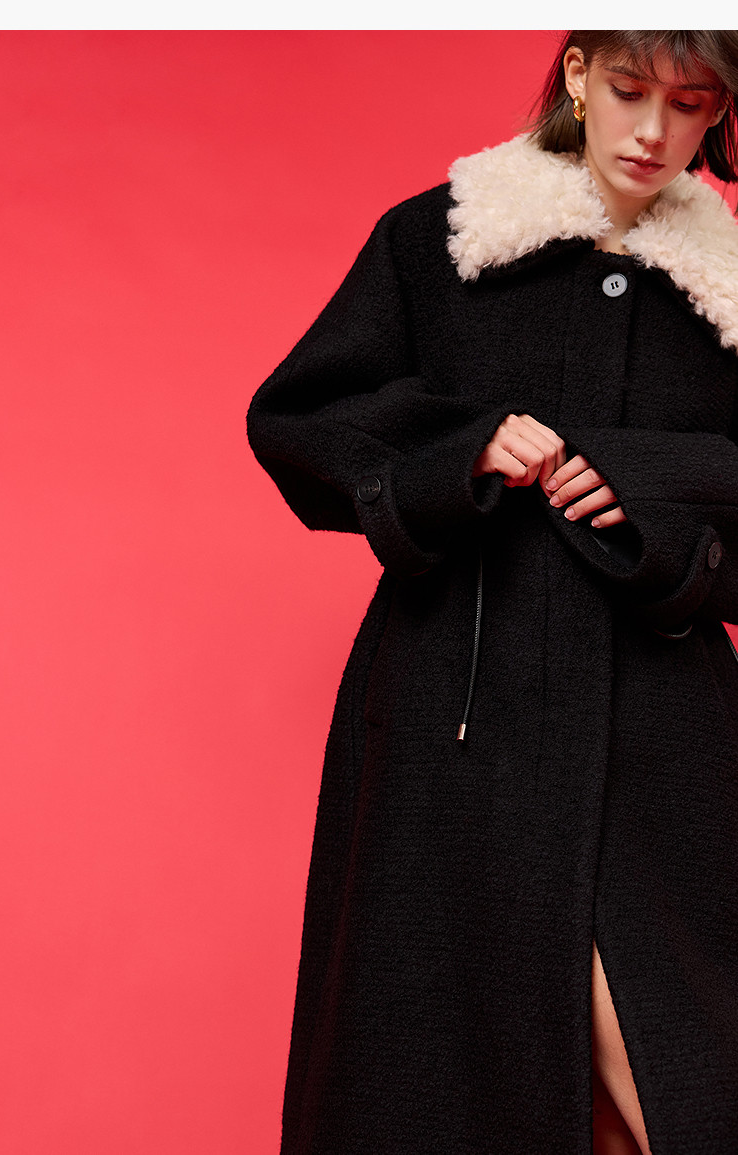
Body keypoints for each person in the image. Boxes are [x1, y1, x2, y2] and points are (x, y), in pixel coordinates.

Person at [247, 30, 738, 1154]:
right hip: (459, 734)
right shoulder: (444, 240)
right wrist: (461, 449)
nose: (653, 131)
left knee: (674, 1081)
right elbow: (297, 421)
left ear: (720, 114)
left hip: (669, 740)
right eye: (630, 90)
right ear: (578, 75)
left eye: (691, 104)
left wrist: (652, 485)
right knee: (475, 1082)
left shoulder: (727, 296)